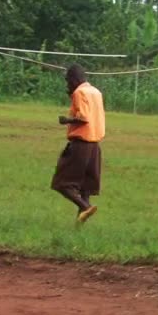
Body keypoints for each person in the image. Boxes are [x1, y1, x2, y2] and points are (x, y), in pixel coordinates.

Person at [51, 64, 105, 224]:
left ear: (74, 79)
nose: (67, 85)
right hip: (95, 145)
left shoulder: (79, 92)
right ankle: (79, 226)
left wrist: (66, 120)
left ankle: (84, 207)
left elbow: (83, 118)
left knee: (61, 183)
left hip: (80, 145)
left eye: (68, 81)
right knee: (85, 187)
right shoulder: (96, 92)